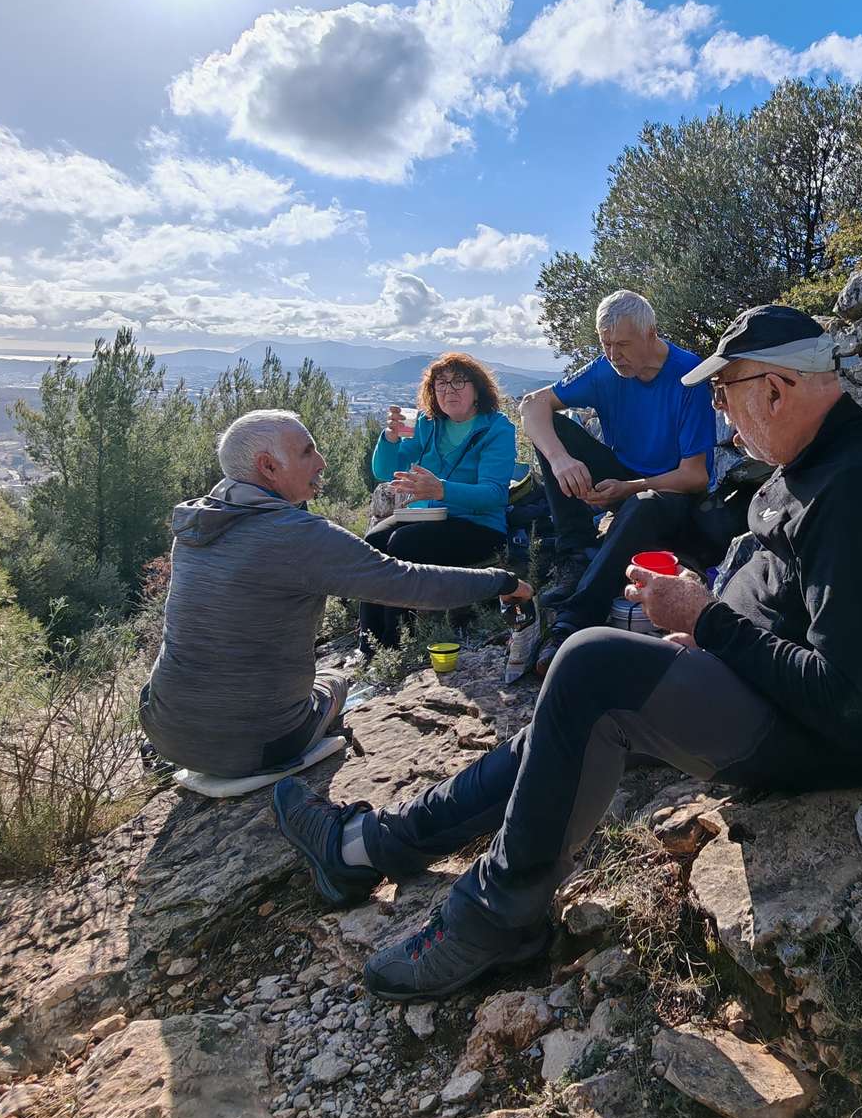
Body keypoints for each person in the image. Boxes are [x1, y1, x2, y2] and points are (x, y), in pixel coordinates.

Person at [272, 304, 862, 1000]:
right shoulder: (808, 459)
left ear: (776, 391)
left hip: (828, 739)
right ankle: (367, 846)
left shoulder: (860, 489)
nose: (721, 416)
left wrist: (709, 621)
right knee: (567, 718)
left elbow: (849, 702)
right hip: (759, 685)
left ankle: (496, 915)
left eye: (724, 395)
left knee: (590, 664)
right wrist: (706, 616)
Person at [140, 408, 533, 781]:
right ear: (268, 467)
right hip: (261, 744)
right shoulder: (297, 535)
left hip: (164, 731)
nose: (322, 462)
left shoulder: (196, 523)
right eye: (307, 452)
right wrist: (502, 582)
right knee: (334, 681)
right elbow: (409, 583)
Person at [517, 289, 717, 671]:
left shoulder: (688, 375)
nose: (613, 355)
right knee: (553, 430)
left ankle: (572, 622)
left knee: (644, 505)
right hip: (622, 478)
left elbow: (695, 475)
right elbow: (532, 405)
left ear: (651, 334)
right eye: (605, 344)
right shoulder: (605, 370)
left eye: (622, 344)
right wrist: (560, 460)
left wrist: (631, 489)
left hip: (670, 492)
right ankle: (576, 553)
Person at [359, 352, 517, 651]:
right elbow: (384, 471)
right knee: (373, 542)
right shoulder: (426, 423)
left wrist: (442, 490)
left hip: (479, 525)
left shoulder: (497, 429)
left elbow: (495, 494)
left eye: (459, 382)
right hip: (429, 518)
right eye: (441, 384)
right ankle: (369, 645)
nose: (448, 390)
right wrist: (390, 439)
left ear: (478, 390)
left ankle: (396, 644)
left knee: (404, 543)